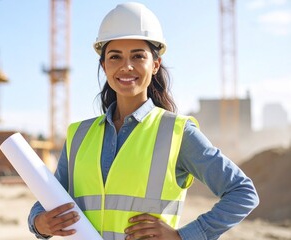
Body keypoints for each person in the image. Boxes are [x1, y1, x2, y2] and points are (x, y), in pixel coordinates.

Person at [28, 2, 259, 239]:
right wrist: (38, 223)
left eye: (138, 56)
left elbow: (243, 192)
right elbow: (47, 199)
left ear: (155, 64)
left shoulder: (177, 133)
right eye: (115, 57)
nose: (126, 66)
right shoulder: (78, 135)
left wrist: (184, 236)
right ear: (104, 66)